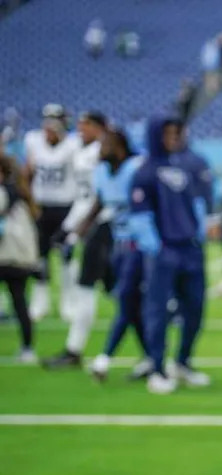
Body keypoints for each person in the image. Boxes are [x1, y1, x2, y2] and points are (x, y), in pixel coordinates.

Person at [128, 117, 210, 394]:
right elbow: (139, 215)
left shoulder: (183, 167)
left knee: (196, 309)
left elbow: (194, 205)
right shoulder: (144, 171)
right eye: (168, 133)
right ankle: (157, 369)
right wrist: (156, 247)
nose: (174, 138)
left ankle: (183, 362)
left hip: (190, 249)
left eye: (177, 132)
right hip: (165, 251)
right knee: (158, 311)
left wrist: (198, 234)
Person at [43, 111, 110, 369]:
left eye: (87, 125)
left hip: (106, 228)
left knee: (125, 294)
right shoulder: (82, 152)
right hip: (91, 227)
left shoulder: (104, 153)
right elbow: (85, 197)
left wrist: (74, 228)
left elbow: (100, 198)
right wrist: (69, 226)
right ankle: (74, 349)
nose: (81, 129)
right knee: (92, 287)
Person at [83, 129, 151, 382]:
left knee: (126, 301)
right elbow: (100, 203)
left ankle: (104, 359)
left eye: (106, 143)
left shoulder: (135, 168)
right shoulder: (101, 172)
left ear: (120, 145)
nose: (101, 148)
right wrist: (79, 229)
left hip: (140, 245)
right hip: (118, 245)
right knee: (131, 307)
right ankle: (152, 359)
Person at [23, 103, 81, 321]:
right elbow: (28, 173)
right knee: (40, 257)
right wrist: (29, 203)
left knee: (67, 256)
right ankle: (40, 302)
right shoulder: (33, 140)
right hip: (41, 207)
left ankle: (69, 302)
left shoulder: (73, 144)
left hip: (65, 206)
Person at [0, 153, 40, 362]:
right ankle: (27, 348)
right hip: (20, 258)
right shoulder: (21, 192)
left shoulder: (6, 193)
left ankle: (27, 348)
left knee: (18, 302)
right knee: (19, 302)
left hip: (7, 256)